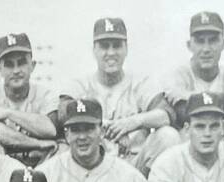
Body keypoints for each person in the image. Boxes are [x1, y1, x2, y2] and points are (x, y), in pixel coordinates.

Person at [57, 17, 178, 174]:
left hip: (134, 165)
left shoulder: (140, 83)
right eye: (104, 46)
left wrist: (133, 122)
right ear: (94, 50)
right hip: (93, 166)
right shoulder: (80, 85)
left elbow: (166, 115)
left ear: (126, 48)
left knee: (168, 136)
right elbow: (62, 115)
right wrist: (100, 124)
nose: (111, 53)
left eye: (117, 46)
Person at [161, 11, 224, 159]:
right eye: (200, 41)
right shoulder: (178, 76)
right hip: (187, 151)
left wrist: (200, 101)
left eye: (213, 40)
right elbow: (182, 112)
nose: (206, 49)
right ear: (190, 45)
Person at [0, 33, 57, 164]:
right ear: (0, 69)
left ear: (32, 65)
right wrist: (37, 143)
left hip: (40, 164)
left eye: (21, 63)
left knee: (61, 150)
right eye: (9, 65)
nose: (16, 70)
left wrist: (9, 113)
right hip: (4, 168)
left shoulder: (45, 94)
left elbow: (50, 129)